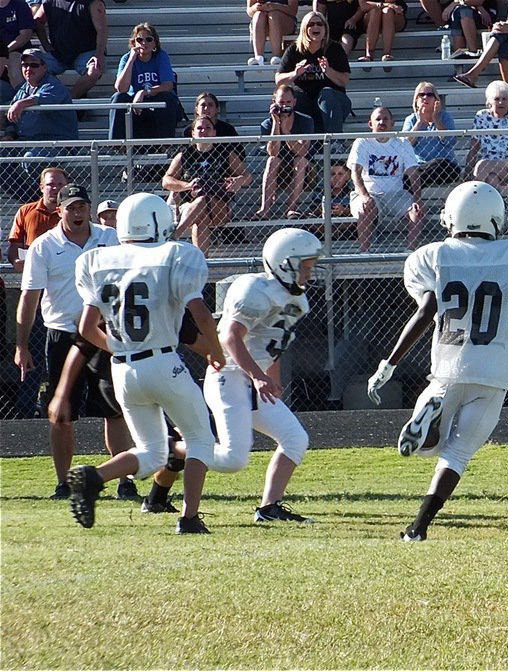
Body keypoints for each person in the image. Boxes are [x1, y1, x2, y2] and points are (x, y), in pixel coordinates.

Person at [365, 180, 508, 542]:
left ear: (451, 218)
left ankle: (431, 422)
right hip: (494, 372)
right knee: (457, 455)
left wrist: (389, 363)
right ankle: (418, 528)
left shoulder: (434, 256)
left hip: (448, 366)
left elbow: (425, 312)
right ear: (495, 218)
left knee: (430, 447)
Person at [64, 193, 224, 532]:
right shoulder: (176, 255)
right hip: (163, 361)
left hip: (123, 369)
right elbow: (200, 313)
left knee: (152, 452)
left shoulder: (98, 260)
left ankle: (93, 477)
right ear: (158, 221)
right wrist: (217, 350)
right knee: (200, 439)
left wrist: (119, 348)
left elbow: (86, 328)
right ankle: (189, 518)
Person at [185, 228, 324, 531]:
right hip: (229, 377)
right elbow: (230, 337)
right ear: (285, 263)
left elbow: (271, 345)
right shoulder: (254, 289)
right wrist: (259, 377)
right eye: (306, 266)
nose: (310, 273)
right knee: (233, 459)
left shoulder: (294, 299)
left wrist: (271, 381)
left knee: (295, 439)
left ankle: (269, 508)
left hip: (253, 380)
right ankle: (175, 449)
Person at [13, 183, 136, 500]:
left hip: (104, 333)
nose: (77, 212)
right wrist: (22, 345)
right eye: (71, 207)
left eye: (82, 206)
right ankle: (64, 482)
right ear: (59, 211)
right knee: (61, 411)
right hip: (63, 334)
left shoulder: (109, 238)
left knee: (114, 409)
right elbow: (29, 297)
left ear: (89, 208)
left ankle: (124, 481)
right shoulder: (44, 246)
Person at [163, 116, 252, 254]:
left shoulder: (225, 153)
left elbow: (247, 177)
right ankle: (202, 261)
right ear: (193, 133)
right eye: (199, 128)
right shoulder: (184, 155)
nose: (204, 131)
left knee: (203, 200)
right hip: (188, 206)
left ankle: (175, 235)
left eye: (208, 128)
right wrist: (188, 186)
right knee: (200, 219)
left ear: (214, 132)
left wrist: (238, 181)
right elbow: (166, 180)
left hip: (219, 205)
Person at [0, 48, 78, 203]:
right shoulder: (23, 89)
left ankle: (47, 201)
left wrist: (21, 103)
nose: (28, 68)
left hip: (56, 142)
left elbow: (43, 98)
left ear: (44, 67)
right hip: (26, 141)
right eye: (25, 65)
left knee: (31, 160)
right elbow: (12, 118)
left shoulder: (53, 85)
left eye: (34, 65)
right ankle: (33, 201)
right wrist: (10, 134)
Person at [348, 105, 424, 251]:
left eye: (385, 119)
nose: (382, 122)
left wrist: (418, 199)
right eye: (378, 119)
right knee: (364, 208)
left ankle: (410, 251)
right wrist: (364, 196)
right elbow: (355, 173)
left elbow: (413, 173)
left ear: (392, 123)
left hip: (397, 195)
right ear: (370, 124)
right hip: (370, 194)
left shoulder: (403, 143)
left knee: (417, 211)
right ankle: (364, 253)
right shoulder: (362, 142)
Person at [276, 11, 351, 134]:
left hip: (333, 104)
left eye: (319, 24)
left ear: (325, 28)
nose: (316, 27)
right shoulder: (294, 50)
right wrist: (295, 73)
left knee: (327, 93)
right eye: (311, 24)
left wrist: (328, 71)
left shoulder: (335, 48)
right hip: (306, 102)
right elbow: (279, 81)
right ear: (304, 29)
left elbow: (344, 80)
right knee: (294, 97)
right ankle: (299, 142)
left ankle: (335, 140)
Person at [108, 22, 180, 141]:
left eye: (148, 39)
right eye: (139, 40)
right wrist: (131, 60)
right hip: (135, 107)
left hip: (156, 103)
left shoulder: (161, 56)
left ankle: (166, 145)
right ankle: (117, 146)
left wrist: (143, 92)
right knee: (118, 97)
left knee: (167, 97)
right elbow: (121, 88)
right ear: (134, 43)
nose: (144, 43)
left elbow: (168, 85)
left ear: (155, 43)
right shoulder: (126, 58)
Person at [254, 84, 315, 220]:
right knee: (272, 160)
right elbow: (272, 152)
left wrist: (286, 131)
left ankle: (292, 208)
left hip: (305, 170)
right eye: (281, 102)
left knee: (300, 161)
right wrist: (276, 124)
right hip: (280, 169)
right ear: (274, 102)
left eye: (288, 102)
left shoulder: (305, 121)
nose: (285, 106)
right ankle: (265, 209)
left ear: (294, 102)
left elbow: (302, 151)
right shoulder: (267, 124)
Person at [464, 80, 508, 188]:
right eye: (497, 99)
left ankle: (470, 192)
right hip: (489, 163)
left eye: (504, 99)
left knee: (482, 165)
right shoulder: (482, 117)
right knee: (492, 179)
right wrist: (468, 170)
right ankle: (498, 199)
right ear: (489, 102)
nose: (501, 102)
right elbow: (474, 146)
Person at [34, 0, 105, 99]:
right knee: (33, 68)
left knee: (94, 71)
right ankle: (58, 94)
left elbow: (102, 29)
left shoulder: (93, 2)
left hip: (85, 52)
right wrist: (45, 44)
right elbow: (37, 21)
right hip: (58, 53)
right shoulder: (50, 1)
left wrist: (99, 55)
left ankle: (70, 98)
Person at [6, 165, 66, 272]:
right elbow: (15, 244)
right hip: (35, 270)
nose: (56, 188)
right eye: (50, 184)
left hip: (65, 270)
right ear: (41, 187)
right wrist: (16, 261)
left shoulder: (75, 213)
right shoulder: (25, 211)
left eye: (60, 184)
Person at [402, 82, 461, 187]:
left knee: (440, 164)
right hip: (419, 165)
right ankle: (417, 178)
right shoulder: (411, 120)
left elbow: (450, 141)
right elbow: (405, 145)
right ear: (416, 100)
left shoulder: (445, 117)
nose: (425, 97)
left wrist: (436, 119)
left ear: (436, 99)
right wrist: (419, 123)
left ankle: (416, 179)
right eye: (421, 95)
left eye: (429, 95)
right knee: (412, 172)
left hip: (444, 166)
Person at [247, 0, 298, 66]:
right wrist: (255, 8)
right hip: (262, 21)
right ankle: (258, 57)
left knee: (274, 15)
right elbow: (249, 11)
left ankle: (276, 56)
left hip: (285, 21)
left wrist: (275, 6)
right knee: (259, 15)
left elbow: (293, 10)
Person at [0, 0, 35, 95]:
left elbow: (25, 34)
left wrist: (5, 51)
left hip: (17, 51)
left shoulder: (20, 5)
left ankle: (22, 96)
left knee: (14, 63)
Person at [357, 0, 405, 65]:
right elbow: (363, 6)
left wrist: (385, 5)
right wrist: (384, 4)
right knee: (375, 11)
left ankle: (387, 54)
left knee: (387, 11)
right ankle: (369, 54)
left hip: (394, 16)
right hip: (371, 18)